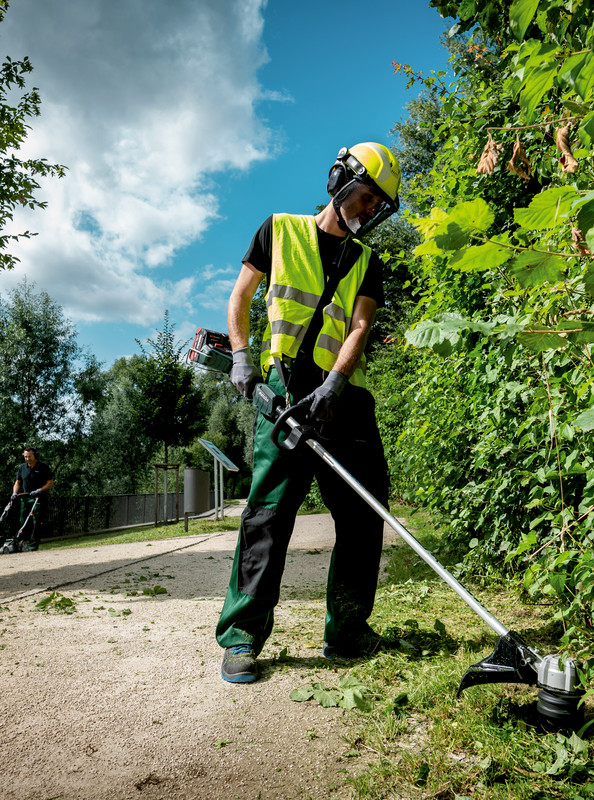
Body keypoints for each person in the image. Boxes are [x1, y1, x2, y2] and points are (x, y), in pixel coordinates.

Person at [217, 142, 401, 683]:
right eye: (365, 196)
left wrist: (338, 383)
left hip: (344, 399)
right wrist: (242, 360)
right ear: (338, 181)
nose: (368, 210)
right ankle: (243, 635)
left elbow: (361, 326)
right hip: (283, 388)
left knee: (364, 514)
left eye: (377, 206)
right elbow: (241, 296)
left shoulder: (368, 261)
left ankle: (346, 631)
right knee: (269, 512)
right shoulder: (278, 230)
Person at [12, 447, 54, 550]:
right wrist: (14, 493)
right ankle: (23, 543)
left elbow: (50, 483)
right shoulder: (22, 467)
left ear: (35, 455)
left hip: (39, 498)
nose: (27, 458)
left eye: (29, 456)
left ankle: (33, 545)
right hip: (26, 498)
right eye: (25, 456)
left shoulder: (43, 467)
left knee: (36, 522)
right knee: (23, 521)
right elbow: (18, 482)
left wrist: (39, 490)